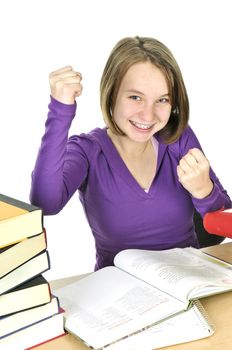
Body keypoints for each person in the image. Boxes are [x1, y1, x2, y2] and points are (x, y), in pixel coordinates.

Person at [30, 36, 231, 270]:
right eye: (135, 97)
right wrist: (61, 110)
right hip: (119, 292)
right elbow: (45, 203)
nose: (148, 116)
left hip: (186, 282)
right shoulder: (87, 151)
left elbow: (222, 222)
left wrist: (203, 190)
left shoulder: (178, 137)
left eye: (162, 100)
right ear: (112, 93)